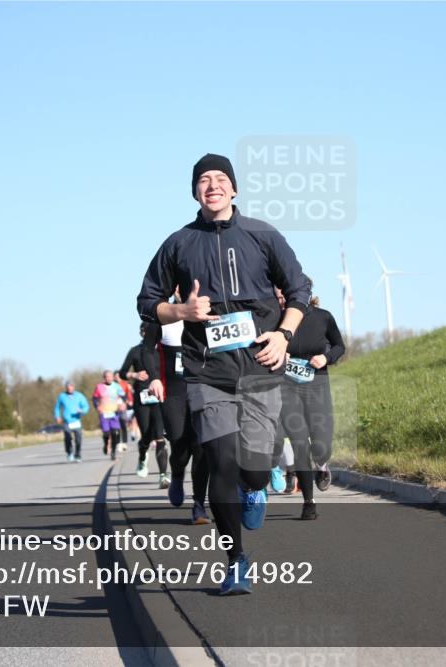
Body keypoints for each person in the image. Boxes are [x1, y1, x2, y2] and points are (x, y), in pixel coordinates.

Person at [137, 153, 310, 595]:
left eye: (220, 179)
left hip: (259, 366)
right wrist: (182, 310)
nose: (212, 185)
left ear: (233, 188)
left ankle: (258, 487)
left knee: (253, 469)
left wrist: (283, 336)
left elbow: (299, 289)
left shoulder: (262, 235)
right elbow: (146, 301)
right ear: (195, 191)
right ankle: (235, 559)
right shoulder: (178, 243)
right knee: (221, 463)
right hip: (206, 371)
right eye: (203, 180)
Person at [273, 283, 345, 520]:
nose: (281, 299)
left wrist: (325, 358)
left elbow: (339, 346)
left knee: (321, 443)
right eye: (277, 296)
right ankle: (309, 502)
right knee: (299, 442)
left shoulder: (323, 317)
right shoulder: (275, 320)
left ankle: (322, 465)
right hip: (287, 387)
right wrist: (278, 353)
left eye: (284, 294)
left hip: (317, 385)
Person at [148, 310, 211, 525]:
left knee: (201, 448)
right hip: (173, 395)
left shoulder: (209, 318)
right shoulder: (162, 320)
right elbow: (147, 350)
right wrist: (154, 378)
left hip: (203, 391)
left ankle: (199, 507)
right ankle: (176, 474)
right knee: (179, 446)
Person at [120, 323, 169, 486]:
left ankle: (163, 476)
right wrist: (134, 374)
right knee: (146, 436)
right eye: (145, 331)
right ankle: (142, 457)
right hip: (142, 399)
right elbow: (121, 373)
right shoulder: (135, 351)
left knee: (160, 437)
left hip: (159, 397)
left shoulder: (162, 349)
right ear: (141, 333)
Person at [92, 371, 127, 460]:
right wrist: (97, 406)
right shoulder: (99, 387)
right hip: (104, 413)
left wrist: (123, 404)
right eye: (107, 377)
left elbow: (123, 396)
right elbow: (94, 398)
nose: (109, 378)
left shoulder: (116, 386)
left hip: (114, 413)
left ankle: (113, 452)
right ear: (104, 378)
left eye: (111, 376)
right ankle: (106, 444)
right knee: (107, 433)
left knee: (116, 433)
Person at [54, 381, 89, 461]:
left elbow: (86, 406)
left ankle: (78, 454)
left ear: (74, 387)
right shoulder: (62, 396)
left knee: (78, 438)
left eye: (71, 386)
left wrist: (82, 411)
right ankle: (69, 452)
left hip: (76, 420)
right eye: (68, 386)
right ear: (66, 387)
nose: (70, 388)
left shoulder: (79, 395)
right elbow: (57, 408)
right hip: (67, 421)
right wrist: (57, 416)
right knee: (67, 436)